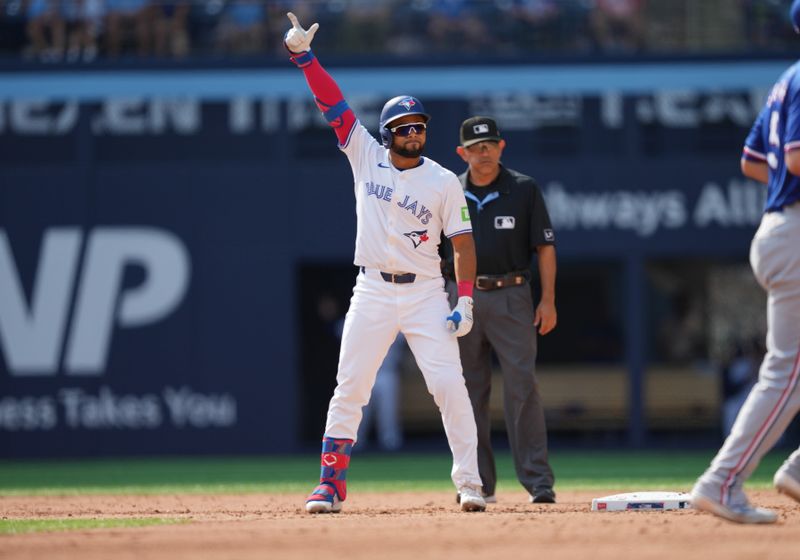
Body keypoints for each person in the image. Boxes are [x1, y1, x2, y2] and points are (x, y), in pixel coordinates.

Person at [282, 12, 486, 514]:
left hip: (423, 293)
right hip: (372, 288)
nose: (414, 133)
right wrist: (304, 58)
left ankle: (471, 483)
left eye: (419, 127)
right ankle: (330, 484)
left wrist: (465, 301)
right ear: (388, 131)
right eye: (404, 127)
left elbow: (462, 244)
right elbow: (333, 105)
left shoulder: (443, 181)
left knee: (449, 387)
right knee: (350, 384)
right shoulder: (364, 154)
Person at [690, 0, 800, 525]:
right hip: (797, 229)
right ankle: (722, 481)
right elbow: (795, 158)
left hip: (783, 226)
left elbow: (753, 162)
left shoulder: (786, 80)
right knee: (788, 372)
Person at [443, 116, 557, 505]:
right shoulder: (449, 190)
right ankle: (477, 484)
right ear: (462, 153)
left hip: (512, 294)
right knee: (467, 393)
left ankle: (538, 482)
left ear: (501, 146)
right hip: (462, 297)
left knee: (522, 387)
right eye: (475, 148)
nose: (483, 152)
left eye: (489, 144)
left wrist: (548, 299)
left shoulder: (523, 189)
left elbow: (545, 247)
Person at [357, 333, 406, 452]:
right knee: (361, 413)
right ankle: (356, 445)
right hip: (364, 374)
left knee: (388, 412)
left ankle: (391, 445)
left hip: (388, 372)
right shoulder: (360, 319)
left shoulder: (397, 324)